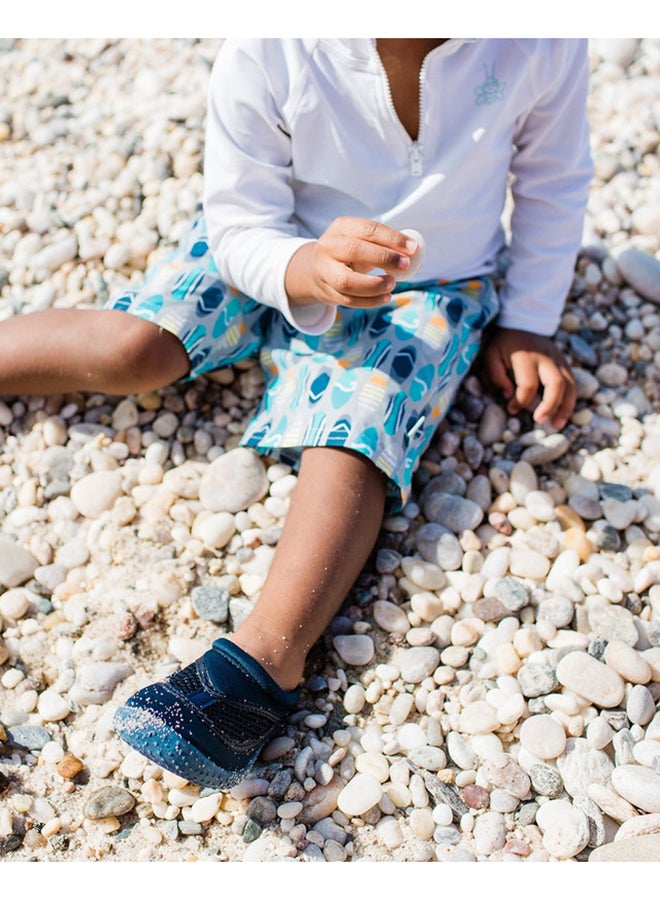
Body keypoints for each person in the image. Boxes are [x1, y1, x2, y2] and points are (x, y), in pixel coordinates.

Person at [0, 39, 593, 789]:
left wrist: (530, 320)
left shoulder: (538, 39)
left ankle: (258, 670)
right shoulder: (272, 44)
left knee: (354, 430)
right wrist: (303, 268)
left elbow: (553, 180)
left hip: (427, 283)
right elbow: (239, 217)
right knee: (132, 350)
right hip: (267, 246)